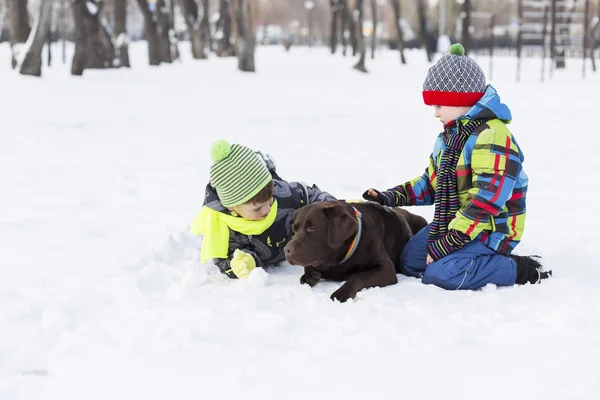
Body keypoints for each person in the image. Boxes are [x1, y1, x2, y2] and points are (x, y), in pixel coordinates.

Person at [363, 43, 551, 290]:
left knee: (441, 274)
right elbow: (430, 184)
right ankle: (468, 258)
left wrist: (447, 243)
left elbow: (486, 203)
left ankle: (516, 269)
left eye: (439, 105)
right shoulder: (448, 139)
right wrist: (389, 197)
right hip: (456, 224)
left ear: (460, 99)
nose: (435, 113)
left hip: (491, 230)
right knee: (410, 262)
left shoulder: (493, 136)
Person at [191, 140, 335, 279]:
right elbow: (223, 260)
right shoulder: (221, 229)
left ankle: (267, 168)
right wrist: (244, 262)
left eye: (269, 201)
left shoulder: (282, 194)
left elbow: (310, 195)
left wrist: (332, 206)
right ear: (232, 206)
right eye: (257, 208)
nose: (267, 210)